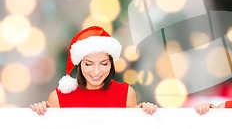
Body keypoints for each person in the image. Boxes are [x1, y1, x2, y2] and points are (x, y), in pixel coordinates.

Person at [30, 26, 158, 115]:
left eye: (103, 64)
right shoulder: (58, 98)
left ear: (111, 64)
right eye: (88, 64)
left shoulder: (126, 94)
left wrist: (145, 112)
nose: (96, 72)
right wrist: (39, 113)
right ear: (79, 64)